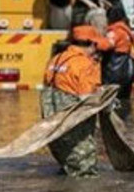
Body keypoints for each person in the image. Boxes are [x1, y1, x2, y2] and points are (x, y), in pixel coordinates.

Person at [41, 24, 103, 177]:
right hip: (74, 119)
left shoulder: (55, 60)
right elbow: (86, 98)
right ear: (91, 44)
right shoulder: (85, 64)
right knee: (84, 170)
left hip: (53, 120)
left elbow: (47, 86)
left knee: (67, 159)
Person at [99, 4, 134, 102]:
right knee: (124, 100)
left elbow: (105, 46)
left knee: (111, 99)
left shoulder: (115, 31)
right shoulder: (126, 30)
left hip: (114, 69)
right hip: (126, 70)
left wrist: (95, 43)